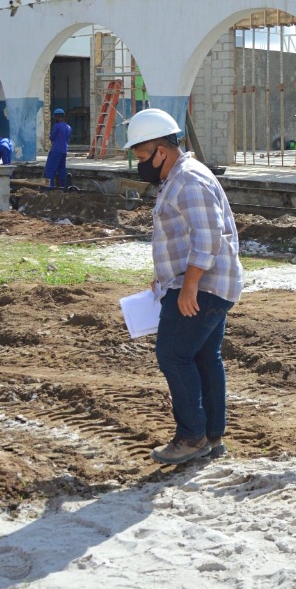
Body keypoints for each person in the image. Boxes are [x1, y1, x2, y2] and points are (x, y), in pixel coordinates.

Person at [125, 108, 243, 465]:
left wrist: (188, 286)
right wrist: (165, 277)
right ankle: (211, 434)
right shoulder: (179, 177)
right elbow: (184, 235)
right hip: (200, 283)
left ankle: (191, 438)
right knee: (205, 356)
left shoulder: (188, 180)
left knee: (174, 355)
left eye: (143, 157)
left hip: (202, 287)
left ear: (162, 150)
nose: (141, 165)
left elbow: (208, 238)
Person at [45, 108, 71, 189]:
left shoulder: (57, 126)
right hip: (64, 150)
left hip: (56, 150)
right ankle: (64, 187)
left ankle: (49, 188)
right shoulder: (68, 127)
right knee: (62, 170)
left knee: (50, 169)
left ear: (57, 117)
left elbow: (52, 137)